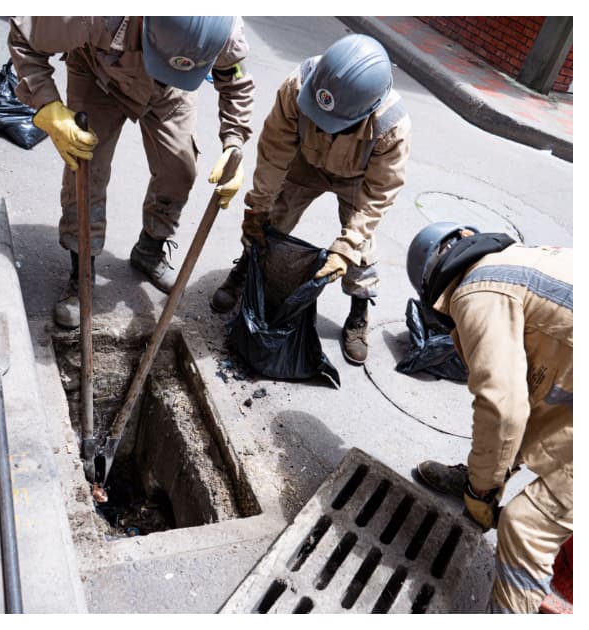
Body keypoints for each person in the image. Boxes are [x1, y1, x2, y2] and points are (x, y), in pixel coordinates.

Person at [8, 16, 254, 328]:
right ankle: (82, 270)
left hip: (172, 90)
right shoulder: (94, 15)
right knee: (86, 169)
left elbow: (235, 81)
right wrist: (48, 105)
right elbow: (23, 36)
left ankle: (149, 250)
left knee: (179, 168)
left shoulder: (222, 29)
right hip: (99, 74)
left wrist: (234, 142)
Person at [210, 34, 410, 366]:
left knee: (361, 246)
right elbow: (274, 153)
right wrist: (257, 207)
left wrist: (346, 247)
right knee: (272, 220)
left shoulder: (391, 126)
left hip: (356, 178)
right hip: (305, 161)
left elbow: (377, 196)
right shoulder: (298, 86)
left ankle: (358, 311)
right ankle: (247, 267)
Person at [406, 222, 571, 613]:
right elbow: (533, 389)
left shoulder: (476, 293)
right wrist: (487, 476)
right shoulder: (523, 261)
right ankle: (481, 478)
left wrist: (482, 493)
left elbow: (503, 410)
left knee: (525, 525)